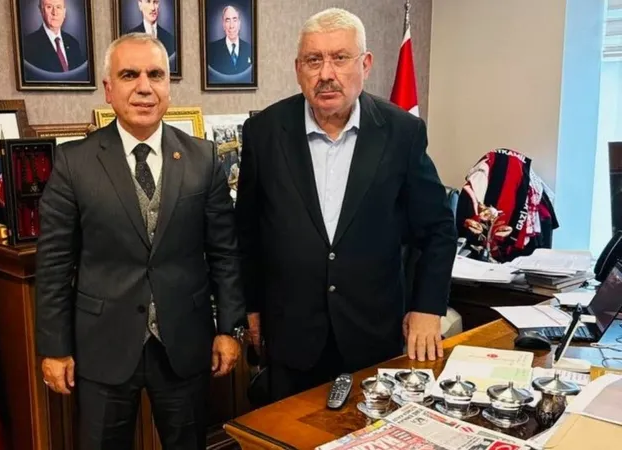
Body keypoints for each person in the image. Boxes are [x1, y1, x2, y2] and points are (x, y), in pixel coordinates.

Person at [35, 33, 247, 450]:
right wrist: (54, 347)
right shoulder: (73, 162)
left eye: (156, 75)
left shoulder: (203, 158)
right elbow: (54, 264)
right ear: (108, 89)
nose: (144, 87)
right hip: (103, 345)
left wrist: (229, 328)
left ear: (168, 85)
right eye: (129, 75)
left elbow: (225, 253)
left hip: (184, 343)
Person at [235, 8, 457, 403]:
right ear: (298, 69)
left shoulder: (401, 132)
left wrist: (428, 307)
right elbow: (248, 231)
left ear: (365, 64)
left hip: (373, 336)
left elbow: (438, 229)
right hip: (292, 339)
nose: (326, 73)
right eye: (313, 60)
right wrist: (250, 307)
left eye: (340, 58)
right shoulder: (264, 132)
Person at [23, 0, 86, 75]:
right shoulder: (29, 45)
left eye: (58, 7)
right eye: (49, 7)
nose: (55, 13)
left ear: (64, 12)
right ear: (41, 11)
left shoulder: (73, 43)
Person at [206, 5, 252, 76]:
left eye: (234, 20)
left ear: (239, 24)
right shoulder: (211, 50)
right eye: (228, 20)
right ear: (223, 25)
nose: (231, 26)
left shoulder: (250, 49)